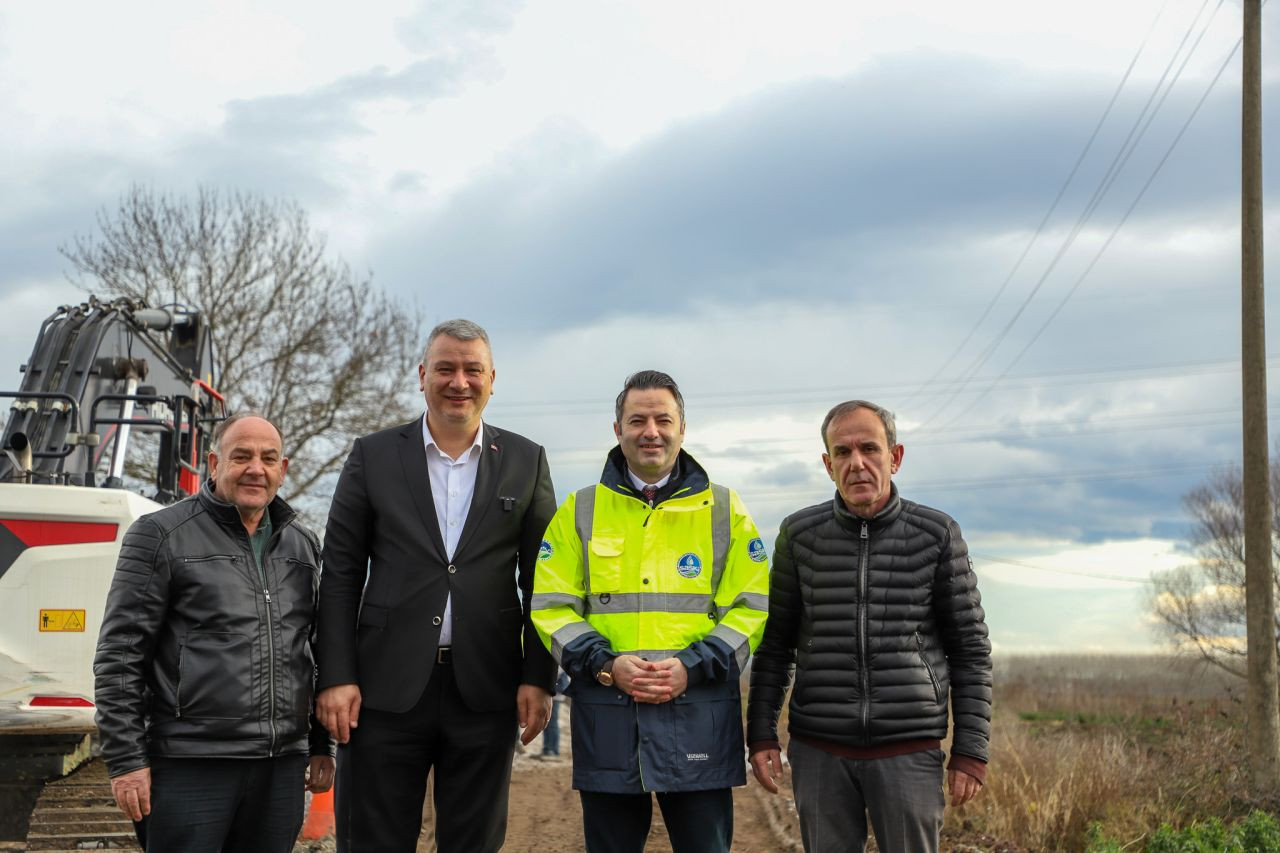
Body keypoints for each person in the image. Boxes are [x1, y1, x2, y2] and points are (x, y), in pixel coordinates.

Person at [316, 318, 558, 853]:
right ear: (423, 374)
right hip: (382, 691)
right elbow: (340, 574)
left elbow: (544, 580)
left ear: (493, 379)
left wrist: (538, 675)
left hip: (486, 689)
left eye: (473, 370)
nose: (459, 382)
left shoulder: (526, 460)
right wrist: (335, 674)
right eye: (445, 368)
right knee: (374, 841)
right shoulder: (372, 456)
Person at [531, 369, 770, 853]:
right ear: (617, 429)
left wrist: (692, 667)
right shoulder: (580, 510)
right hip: (610, 723)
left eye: (664, 419)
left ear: (683, 428)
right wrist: (605, 666)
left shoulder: (724, 509)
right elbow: (551, 606)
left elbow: (752, 607)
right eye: (637, 420)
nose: (651, 431)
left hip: (699, 716)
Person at [746, 400, 992, 853]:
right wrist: (760, 733)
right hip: (819, 750)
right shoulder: (798, 535)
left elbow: (970, 650)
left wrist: (971, 749)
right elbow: (776, 645)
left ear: (894, 458)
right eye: (842, 452)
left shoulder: (936, 534)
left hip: (908, 750)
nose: (856, 463)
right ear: (827, 464)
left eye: (869, 449)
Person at [93, 413, 334, 853]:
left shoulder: (302, 545)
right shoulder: (160, 535)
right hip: (191, 762)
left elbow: (313, 651)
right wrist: (127, 760)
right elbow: (121, 655)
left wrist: (322, 743)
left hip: (281, 766)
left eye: (268, 458)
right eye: (240, 456)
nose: (255, 469)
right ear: (214, 462)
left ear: (284, 469)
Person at [539, 669, 572, 759]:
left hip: (555, 695)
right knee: (547, 722)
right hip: (552, 694)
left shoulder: (558, 660)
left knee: (552, 723)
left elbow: (557, 672)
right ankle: (547, 748)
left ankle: (552, 749)